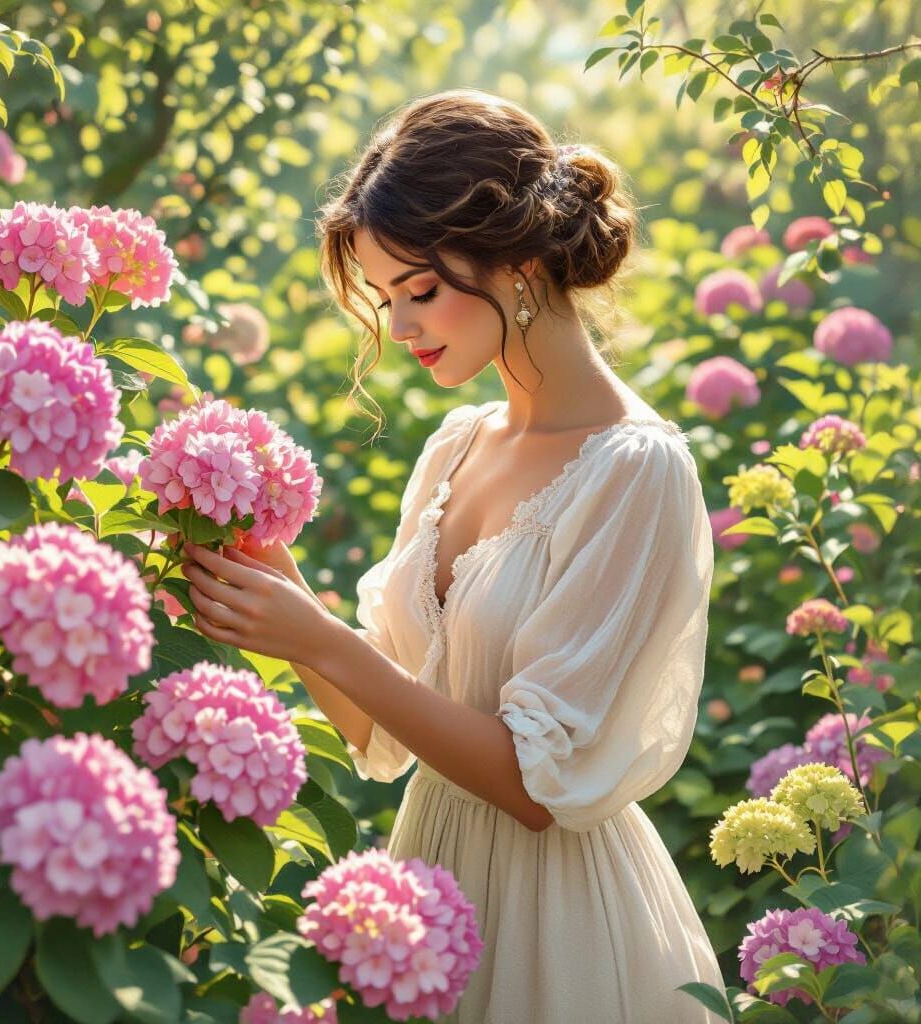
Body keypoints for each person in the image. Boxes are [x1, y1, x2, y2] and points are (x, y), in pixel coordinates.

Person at [183, 88, 727, 1023]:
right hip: (426, 888)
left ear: (519, 261)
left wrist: (319, 638)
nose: (399, 329)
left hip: (557, 922)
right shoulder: (457, 445)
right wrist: (272, 577)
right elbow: (380, 730)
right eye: (386, 299)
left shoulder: (636, 471)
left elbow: (535, 788)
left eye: (421, 290)